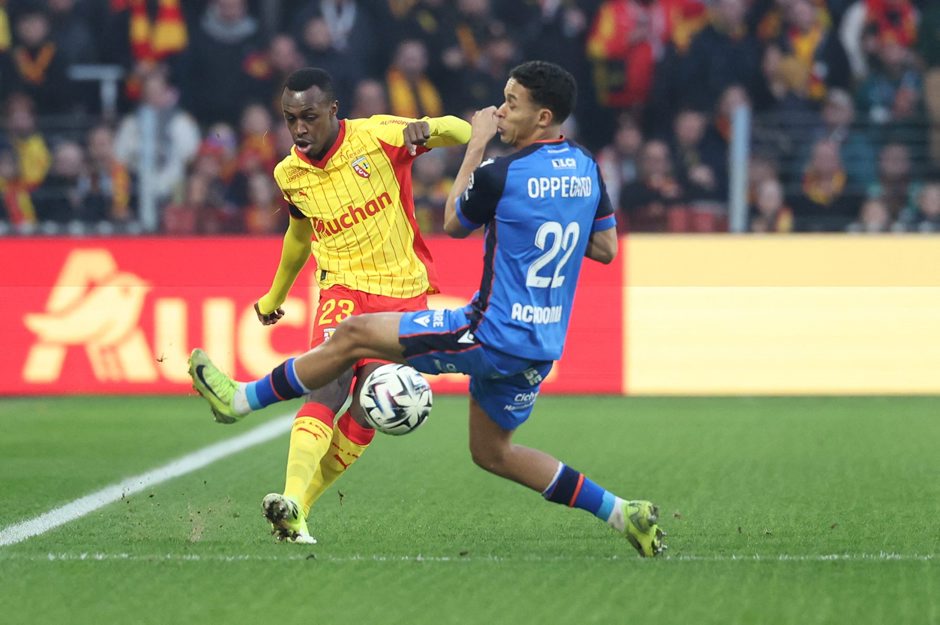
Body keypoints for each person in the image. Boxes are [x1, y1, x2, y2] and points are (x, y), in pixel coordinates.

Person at [189, 61, 666, 558]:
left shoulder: (503, 174)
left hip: (487, 330)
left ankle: (240, 400)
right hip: (540, 344)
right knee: (493, 453)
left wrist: (477, 143)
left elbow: (455, 221)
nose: (500, 111)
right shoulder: (586, 166)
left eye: (511, 103)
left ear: (542, 117)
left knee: (351, 336)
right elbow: (605, 248)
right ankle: (621, 512)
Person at [246, 67, 471, 544]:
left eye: (309, 116)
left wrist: (429, 128)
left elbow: (464, 132)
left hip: (401, 293)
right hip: (342, 292)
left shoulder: (379, 136)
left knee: (370, 407)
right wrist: (274, 296)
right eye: (290, 119)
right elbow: (299, 237)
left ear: (333, 110)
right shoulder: (289, 173)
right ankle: (290, 497)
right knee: (325, 389)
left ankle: (300, 509)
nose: (299, 128)